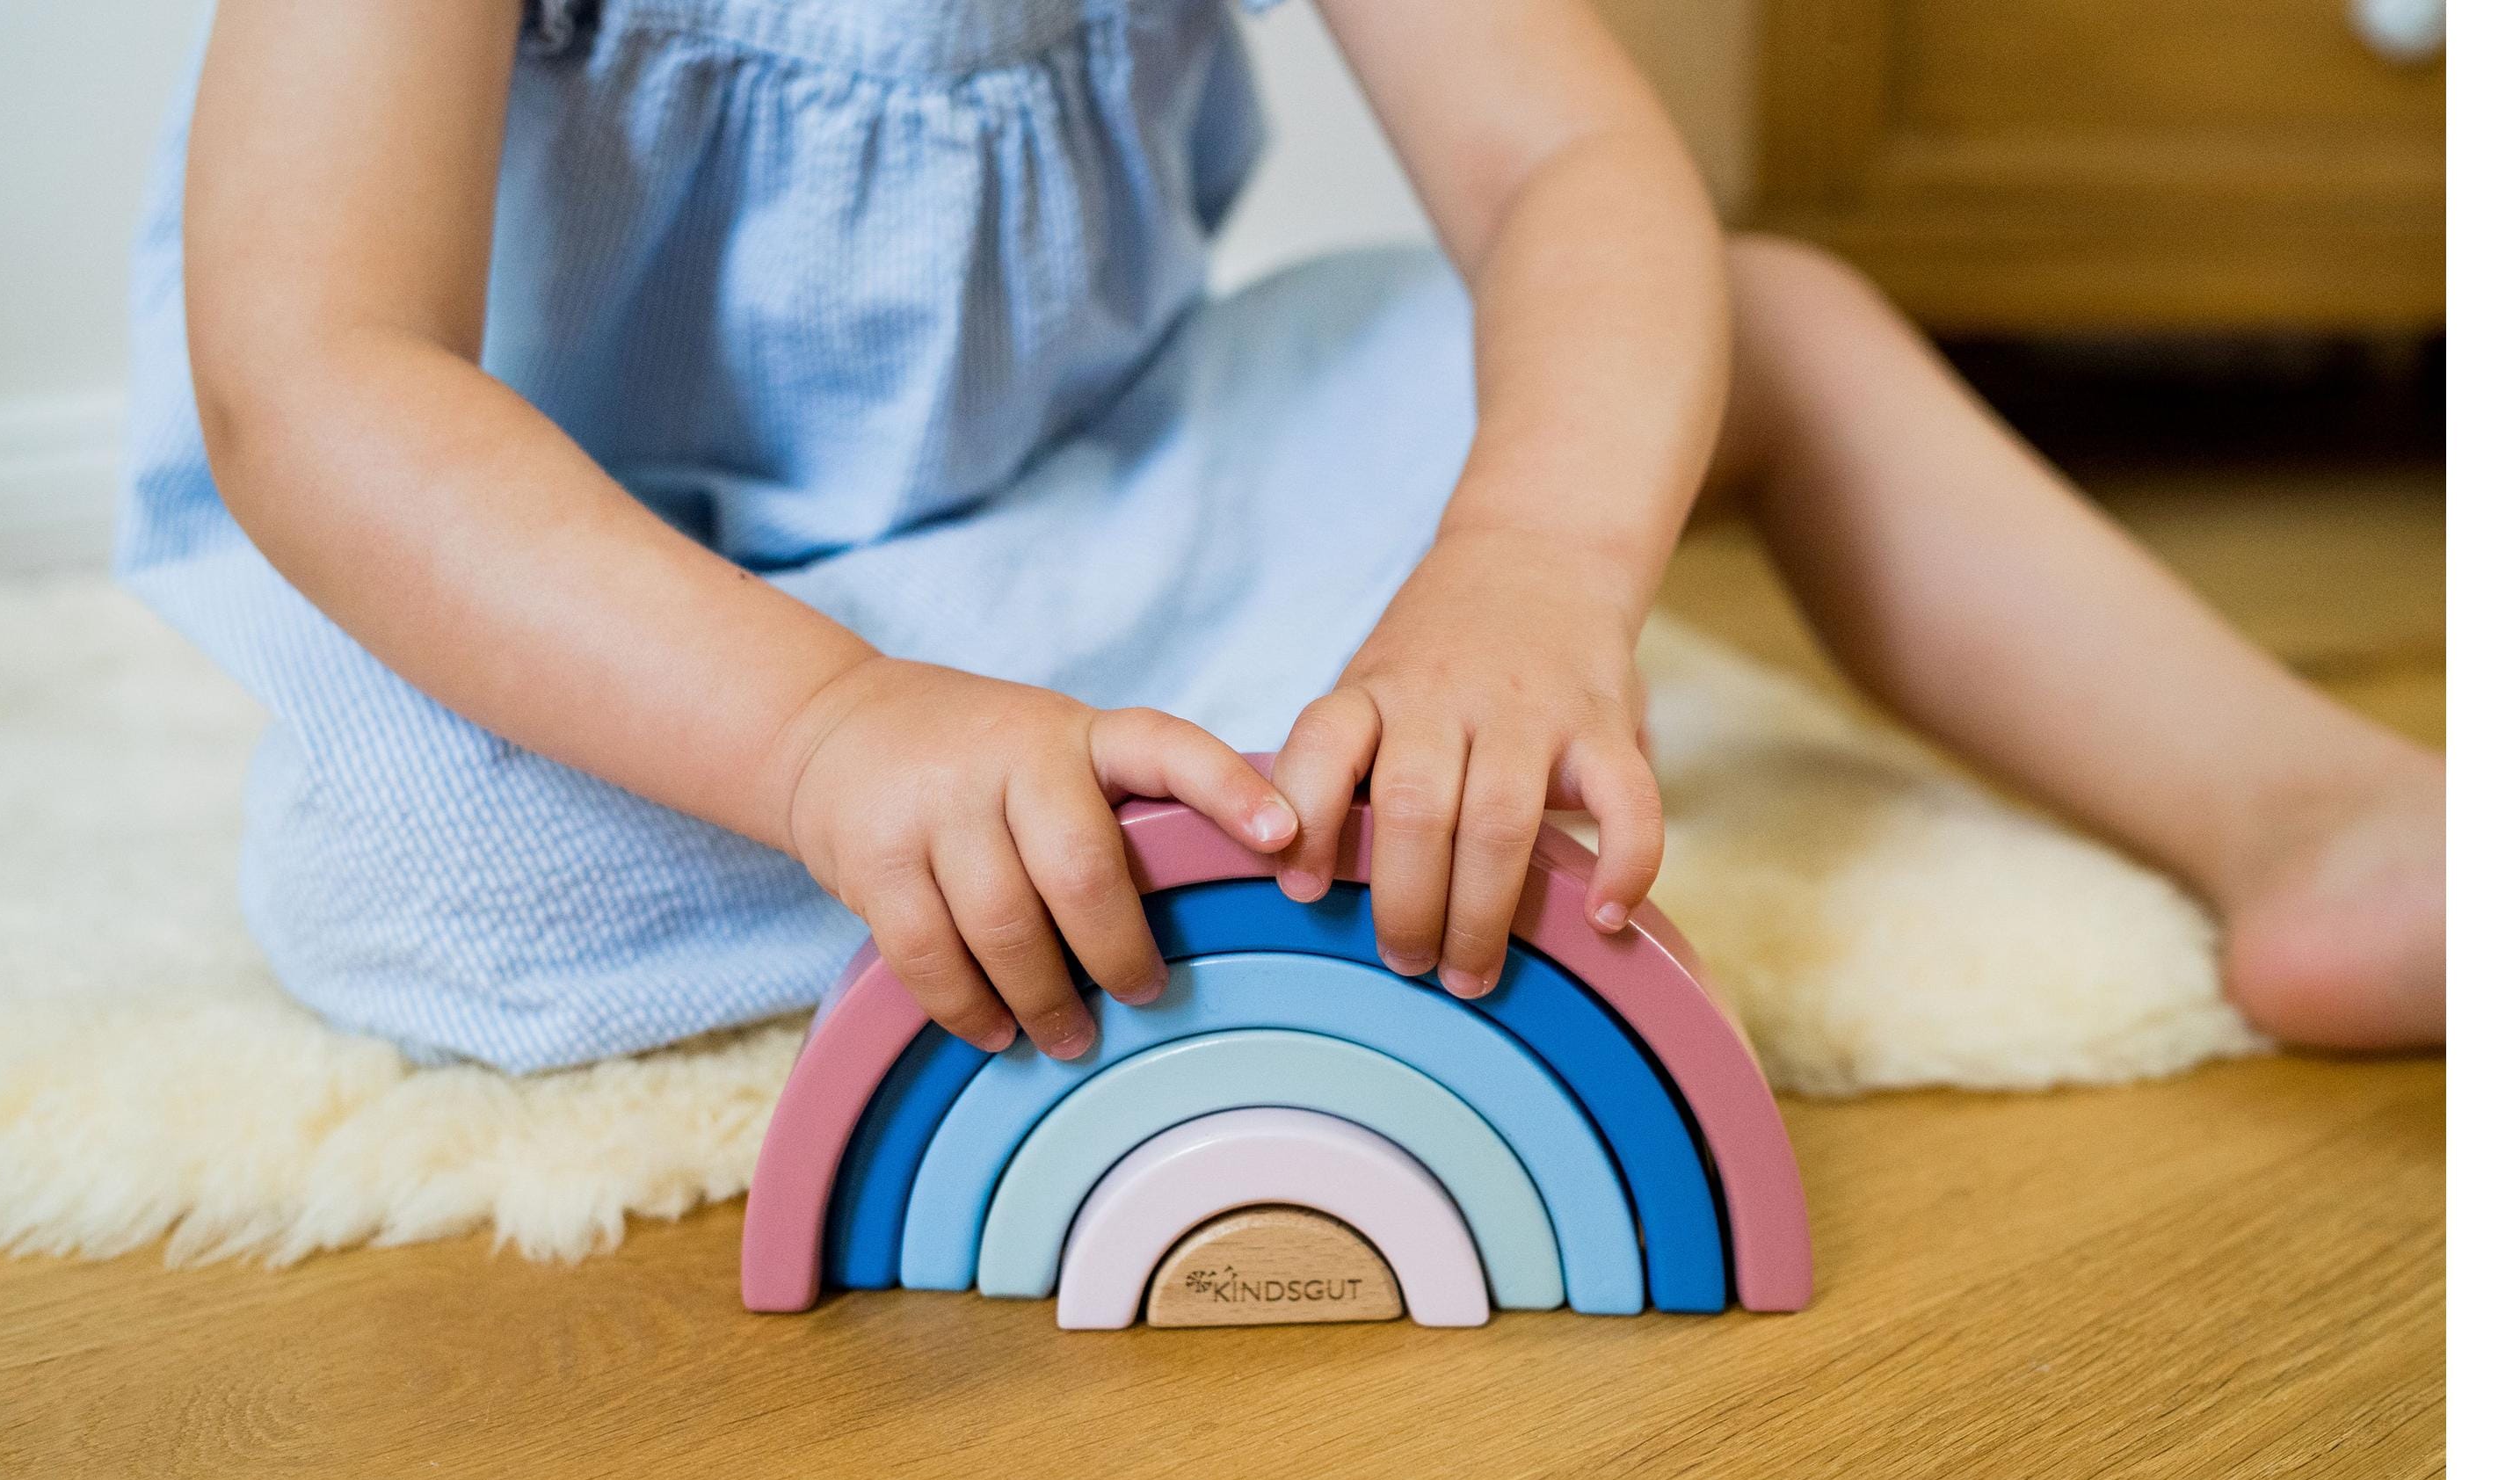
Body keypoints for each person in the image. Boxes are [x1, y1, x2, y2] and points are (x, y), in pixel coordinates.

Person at [119, 0, 2444, 1075]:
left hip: (1112, 503)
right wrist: (825, 731)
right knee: (419, 851)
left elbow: (1567, 172)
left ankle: (2314, 815)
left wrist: (1526, 563)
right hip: (639, 608)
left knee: (1769, 324)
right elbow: (320, 378)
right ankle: (1179, 805)